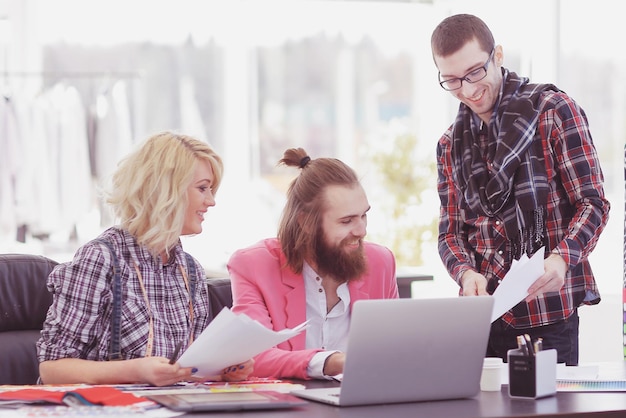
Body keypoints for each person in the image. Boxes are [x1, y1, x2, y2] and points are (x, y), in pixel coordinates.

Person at [430, 14, 610, 365]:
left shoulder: (553, 111)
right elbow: (449, 233)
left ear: (497, 55)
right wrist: (466, 275)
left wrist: (562, 257)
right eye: (451, 80)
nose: (467, 90)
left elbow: (593, 204)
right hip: (483, 319)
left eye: (475, 72)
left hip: (548, 315)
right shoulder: (450, 144)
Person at [37, 132, 253, 386]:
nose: (211, 201)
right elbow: (52, 370)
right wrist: (136, 371)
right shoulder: (102, 258)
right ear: (167, 189)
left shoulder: (190, 269)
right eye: (203, 188)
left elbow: (186, 369)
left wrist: (222, 369)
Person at [227, 148, 398, 380]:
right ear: (306, 222)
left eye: (364, 216)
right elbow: (251, 356)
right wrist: (334, 361)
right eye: (346, 220)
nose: (361, 231)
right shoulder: (252, 265)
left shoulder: (381, 262)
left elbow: (394, 349)